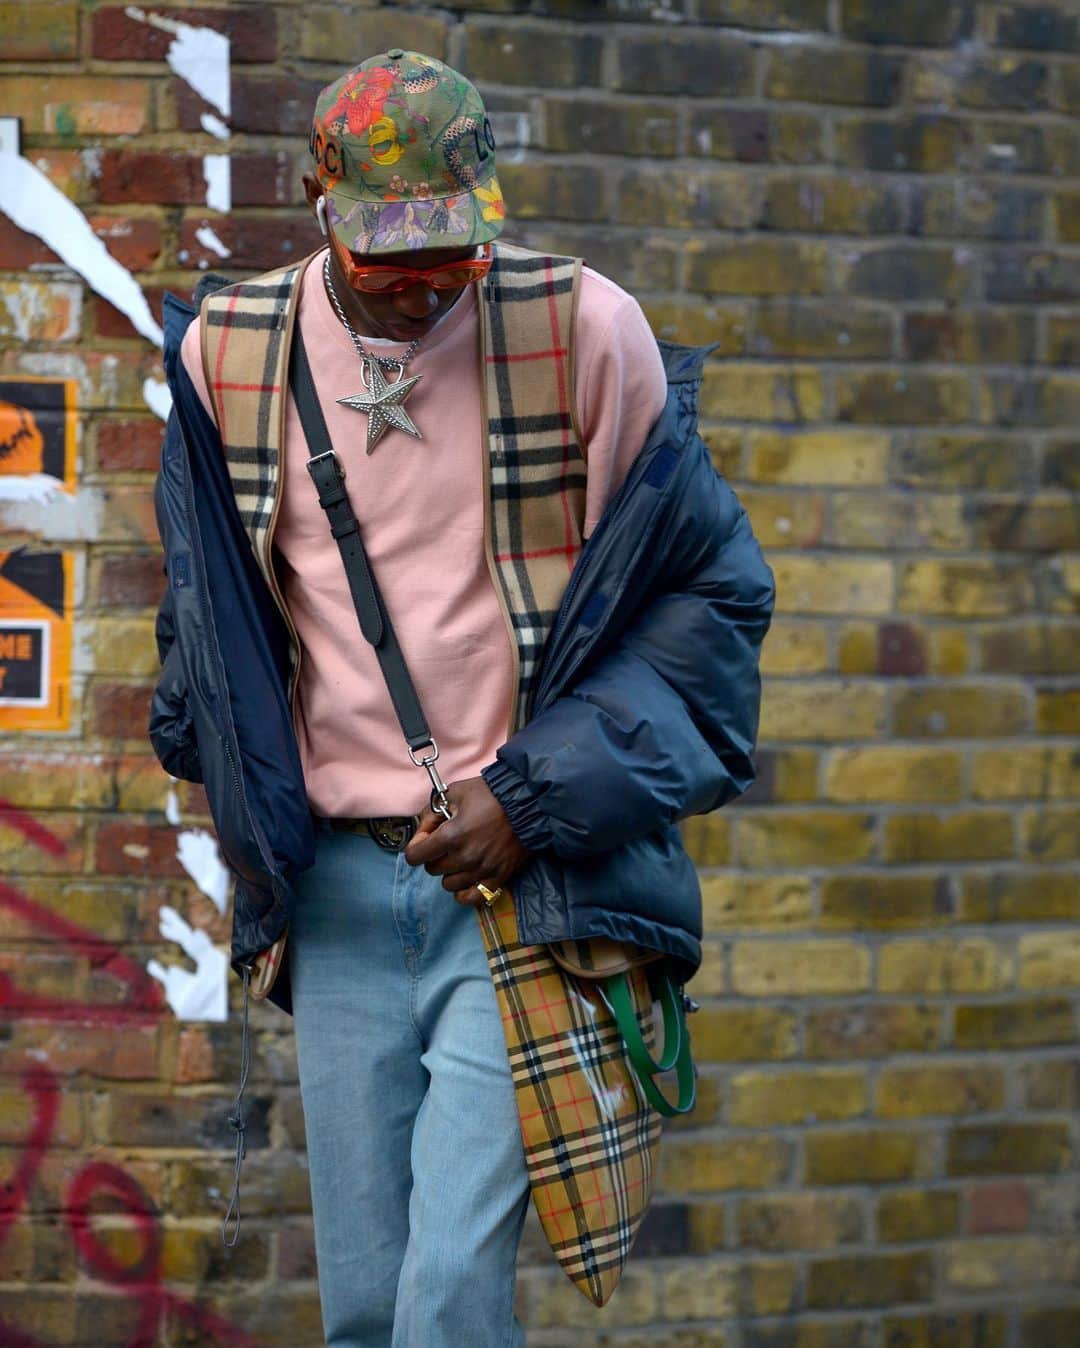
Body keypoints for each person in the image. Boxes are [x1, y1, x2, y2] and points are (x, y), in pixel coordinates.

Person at [150, 49, 773, 1348]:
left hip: (523, 887)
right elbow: (209, 603)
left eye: (454, 255)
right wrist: (213, 747)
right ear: (320, 205)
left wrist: (532, 797)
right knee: (367, 1306)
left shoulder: (584, 331)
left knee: (446, 1294)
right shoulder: (230, 353)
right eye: (393, 262)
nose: (427, 289)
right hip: (330, 886)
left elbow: (708, 615)